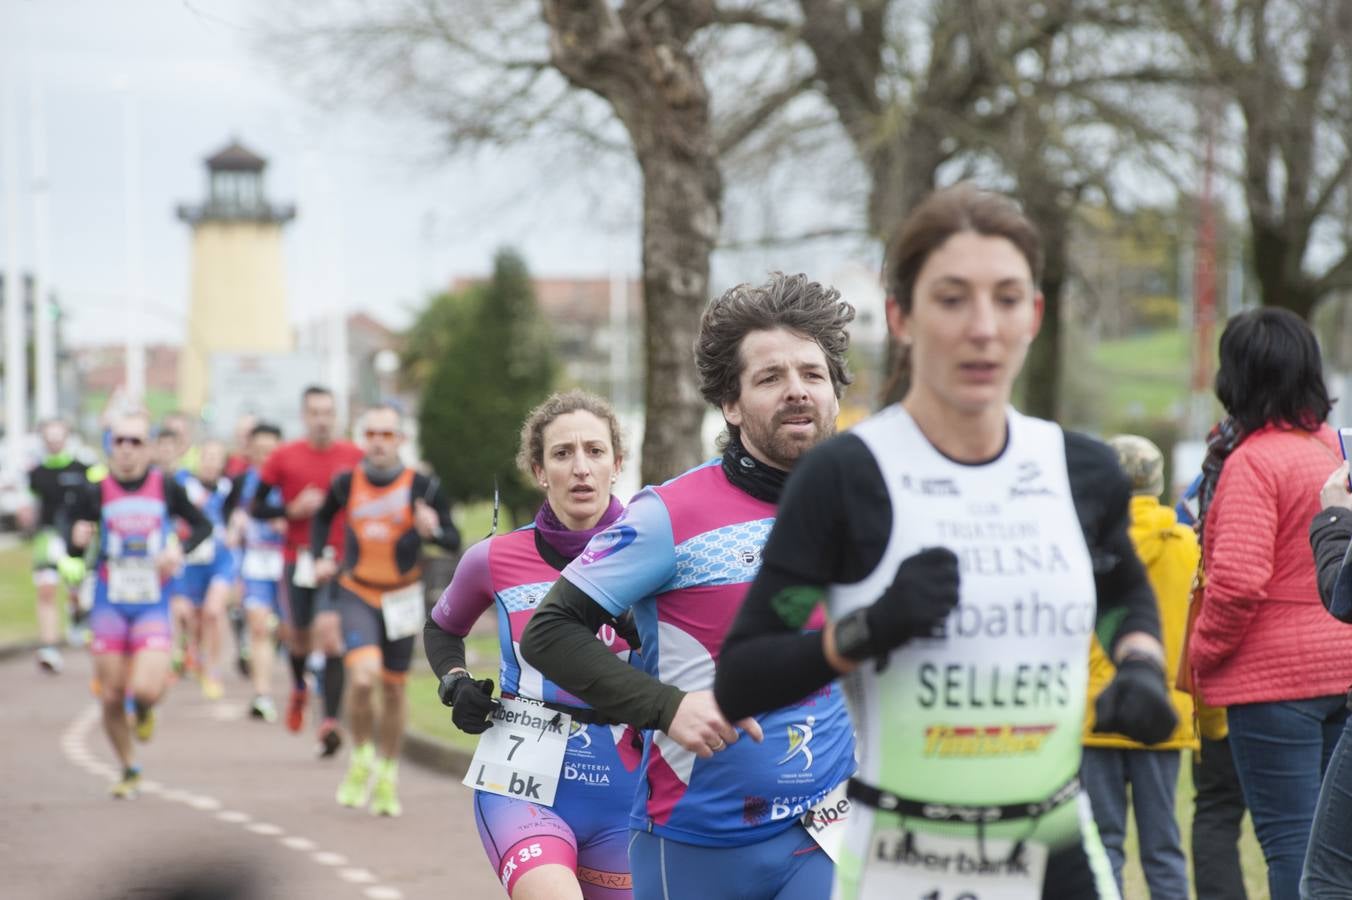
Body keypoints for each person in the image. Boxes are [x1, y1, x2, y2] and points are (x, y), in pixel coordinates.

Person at [712, 185, 1173, 900]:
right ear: (901, 316)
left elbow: (1120, 595)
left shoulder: (1081, 471)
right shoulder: (847, 477)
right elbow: (744, 675)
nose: (982, 327)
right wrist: (867, 631)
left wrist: (1140, 663)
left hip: (1055, 850)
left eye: (1008, 298)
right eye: (953, 299)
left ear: (1035, 316)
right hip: (905, 857)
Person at [521, 273, 858, 899]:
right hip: (696, 842)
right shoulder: (668, 516)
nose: (797, 392)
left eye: (813, 375)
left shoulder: (863, 506)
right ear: (730, 404)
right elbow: (548, 632)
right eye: (770, 377)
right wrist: (668, 707)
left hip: (826, 834)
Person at [426, 390, 639, 898]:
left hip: (627, 787)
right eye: (563, 454)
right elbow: (442, 629)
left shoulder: (656, 555)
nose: (581, 468)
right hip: (522, 779)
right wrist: (455, 683)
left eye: (595, 451)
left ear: (618, 464)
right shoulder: (493, 559)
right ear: (540, 471)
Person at [1185, 307, 1352, 900]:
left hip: (1273, 685)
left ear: (1238, 377)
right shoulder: (1333, 452)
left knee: (1289, 847)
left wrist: (1202, 654)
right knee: (1333, 857)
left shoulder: (1252, 462)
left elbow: (1237, 583)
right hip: (1343, 665)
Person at [312, 403, 459, 816]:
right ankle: (361, 757)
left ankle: (389, 773)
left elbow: (453, 539)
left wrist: (433, 530)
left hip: (402, 597)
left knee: (394, 688)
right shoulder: (346, 482)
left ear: (401, 440)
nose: (379, 442)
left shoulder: (423, 488)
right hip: (357, 591)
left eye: (387, 435)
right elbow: (323, 520)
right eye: (372, 434)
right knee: (362, 679)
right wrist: (322, 555)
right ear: (363, 438)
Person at [66, 409, 213, 798]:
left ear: (148, 448)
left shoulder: (165, 487)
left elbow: (203, 525)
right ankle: (129, 766)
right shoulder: (94, 491)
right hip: (109, 602)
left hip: (152, 600)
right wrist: (76, 540)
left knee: (145, 691)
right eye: (120, 441)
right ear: (110, 447)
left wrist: (177, 549)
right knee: (112, 694)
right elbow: (72, 541)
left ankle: (146, 710)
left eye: (136, 442)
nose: (128, 449)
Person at [1079, 435, 1199, 900]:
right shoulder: (1185, 543)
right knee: (1164, 845)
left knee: (1103, 843)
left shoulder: (1084, 542)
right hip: (1161, 708)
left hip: (1094, 712)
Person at [250, 385, 363, 756]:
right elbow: (255, 507)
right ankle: (299, 686)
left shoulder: (354, 456)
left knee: (330, 637)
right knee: (297, 637)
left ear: (337, 416)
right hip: (297, 558)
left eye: (328, 412)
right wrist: (291, 510)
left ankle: (330, 721)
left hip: (340, 560)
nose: (321, 420)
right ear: (304, 416)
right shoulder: (284, 457)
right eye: (314, 412)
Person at [1302, 460, 1352, 896]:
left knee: (1327, 878)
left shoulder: (1250, 462)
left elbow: (1344, 593)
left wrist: (1335, 518)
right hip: (1328, 675)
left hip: (1274, 679)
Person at [20, 419, 93, 673]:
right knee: (47, 590)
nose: (53, 443)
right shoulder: (35, 473)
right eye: (48, 438)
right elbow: (29, 503)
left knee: (76, 589)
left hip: (74, 539)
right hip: (47, 537)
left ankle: (76, 615)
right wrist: (26, 515)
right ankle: (49, 647)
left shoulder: (83, 469)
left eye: (58, 437)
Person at [168, 440, 238, 700]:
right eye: (206, 456)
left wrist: (234, 528)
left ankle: (212, 668)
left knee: (213, 611)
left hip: (220, 559)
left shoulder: (229, 488)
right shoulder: (182, 483)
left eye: (216, 458)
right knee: (188, 615)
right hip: (190, 559)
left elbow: (236, 515)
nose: (210, 462)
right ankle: (188, 653)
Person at [230, 422, 287, 722]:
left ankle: (304, 683)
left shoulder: (290, 480)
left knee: (291, 631)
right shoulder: (242, 483)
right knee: (258, 627)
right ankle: (262, 695)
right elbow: (229, 521)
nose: (266, 456)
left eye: (272, 450)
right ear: (249, 451)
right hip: (255, 561)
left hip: (287, 562)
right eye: (260, 451)